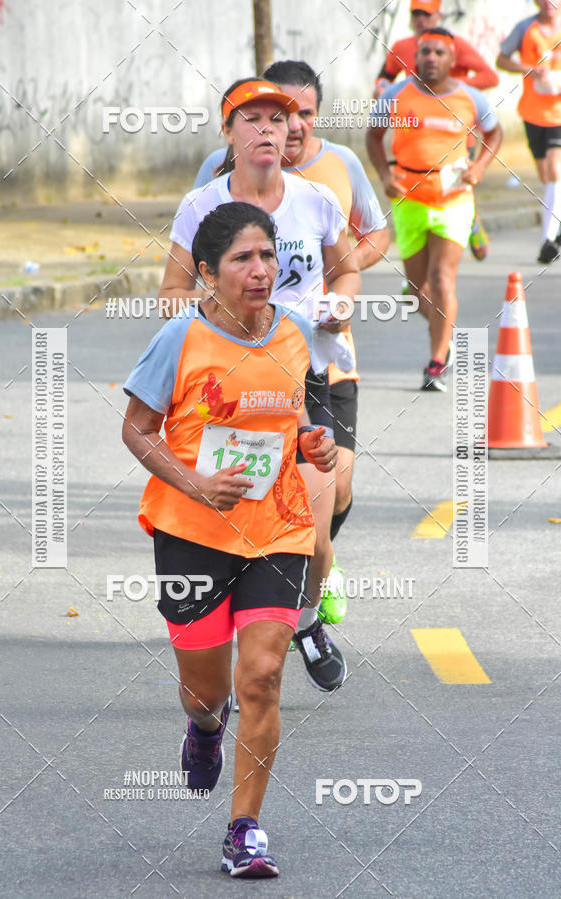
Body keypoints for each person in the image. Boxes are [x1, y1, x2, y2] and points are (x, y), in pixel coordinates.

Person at [123, 202, 337, 878]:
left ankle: (244, 828)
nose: (260, 269)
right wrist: (191, 482)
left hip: (277, 526)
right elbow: (137, 428)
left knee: (264, 677)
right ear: (208, 273)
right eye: (243, 259)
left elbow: (299, 413)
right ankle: (206, 728)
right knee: (207, 690)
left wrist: (315, 442)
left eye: (268, 256)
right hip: (192, 532)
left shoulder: (296, 333)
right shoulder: (179, 339)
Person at [160, 77, 360, 691]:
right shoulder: (202, 208)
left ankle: (304, 619)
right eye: (253, 119)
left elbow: (348, 270)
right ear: (229, 133)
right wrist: (211, 330)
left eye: (280, 117)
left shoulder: (316, 199)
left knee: (317, 534)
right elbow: (172, 294)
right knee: (239, 513)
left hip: (303, 374)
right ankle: (245, 649)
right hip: (227, 387)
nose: (270, 128)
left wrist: (339, 307)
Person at [194, 59, 389, 627]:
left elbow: (370, 239)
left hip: (324, 358)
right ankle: (283, 597)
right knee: (263, 487)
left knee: (336, 486)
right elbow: (195, 259)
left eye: (302, 113)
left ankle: (317, 563)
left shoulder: (339, 168)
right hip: (244, 366)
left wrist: (338, 290)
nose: (291, 125)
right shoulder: (216, 176)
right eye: (278, 114)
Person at [366, 28, 503, 392]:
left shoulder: (471, 98)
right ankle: (447, 333)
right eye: (425, 51)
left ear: (452, 59)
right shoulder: (396, 95)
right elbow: (373, 135)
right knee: (416, 291)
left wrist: (479, 168)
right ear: (416, 57)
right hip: (408, 198)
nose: (430, 58)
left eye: (438, 52)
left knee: (443, 280)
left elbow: (495, 132)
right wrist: (383, 175)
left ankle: (436, 362)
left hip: (453, 199)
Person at [374, 0, 499, 261]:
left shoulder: (456, 44)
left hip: (455, 128)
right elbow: (383, 75)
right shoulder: (401, 47)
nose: (420, 19)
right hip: (414, 127)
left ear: (439, 16)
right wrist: (382, 88)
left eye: (426, 14)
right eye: (415, 14)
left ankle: (470, 222)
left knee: (456, 180)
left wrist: (449, 88)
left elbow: (490, 77)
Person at [497, 0, 561, 263]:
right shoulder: (525, 28)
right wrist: (529, 70)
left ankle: (548, 240)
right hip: (533, 114)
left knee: (556, 172)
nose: (548, 2)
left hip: (559, 114)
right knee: (547, 176)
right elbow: (501, 59)